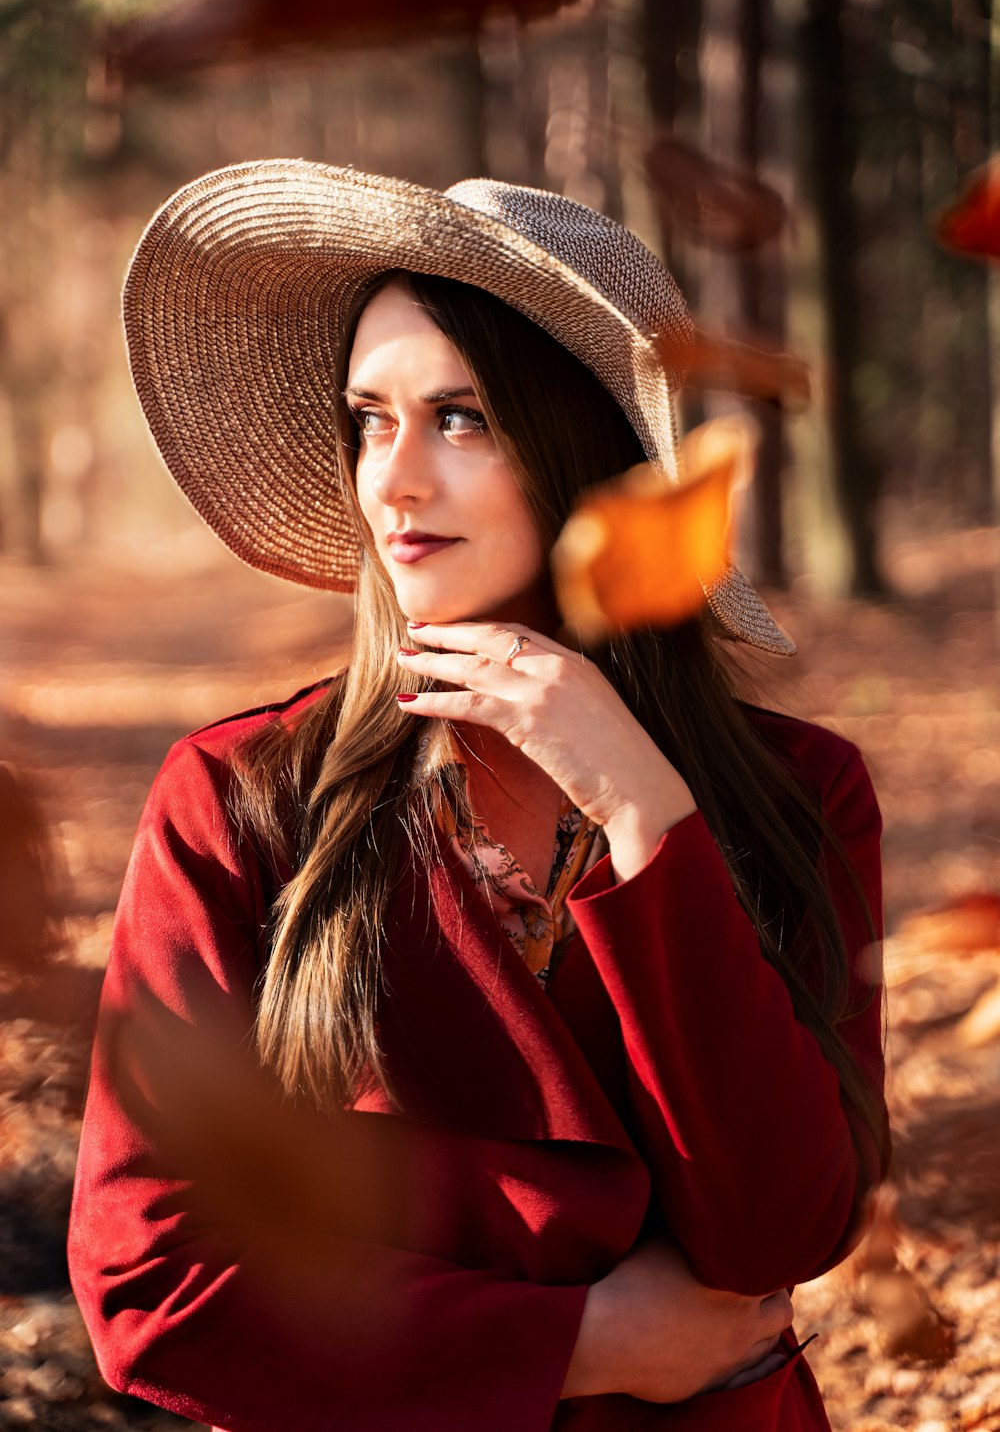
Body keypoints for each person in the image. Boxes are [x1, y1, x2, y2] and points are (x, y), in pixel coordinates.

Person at [68, 162, 888, 1432]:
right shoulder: (238, 802)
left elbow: (783, 1226)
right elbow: (148, 1282)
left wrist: (640, 814)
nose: (393, 482)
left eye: (460, 418)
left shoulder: (797, 793)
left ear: (591, 453)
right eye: (369, 419)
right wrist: (582, 1342)